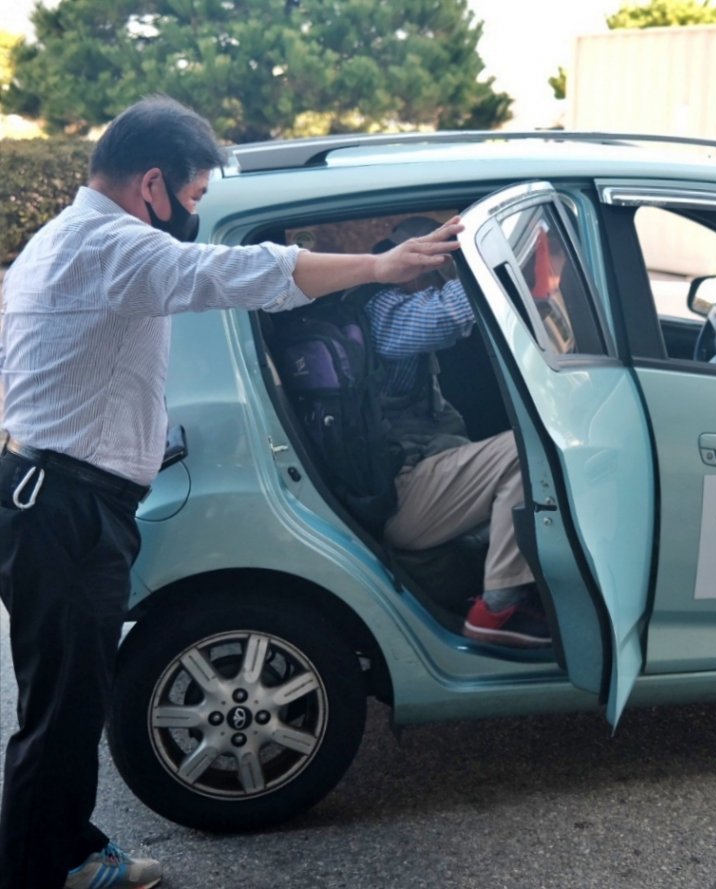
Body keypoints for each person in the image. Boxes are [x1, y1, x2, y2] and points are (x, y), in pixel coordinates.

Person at [0, 96, 461, 889]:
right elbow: (245, 272)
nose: (193, 213)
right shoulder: (114, 245)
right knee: (61, 710)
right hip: (65, 506)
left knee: (65, 701)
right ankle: (40, 871)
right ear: (153, 184)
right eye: (194, 197)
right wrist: (384, 267)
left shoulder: (64, 238)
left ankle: (63, 852)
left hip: (47, 491)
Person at [364, 216, 552, 650]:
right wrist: (504, 266)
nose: (433, 277)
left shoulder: (400, 319)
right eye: (429, 264)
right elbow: (442, 317)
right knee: (530, 450)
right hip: (400, 496)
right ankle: (496, 610)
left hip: (415, 481)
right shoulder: (379, 311)